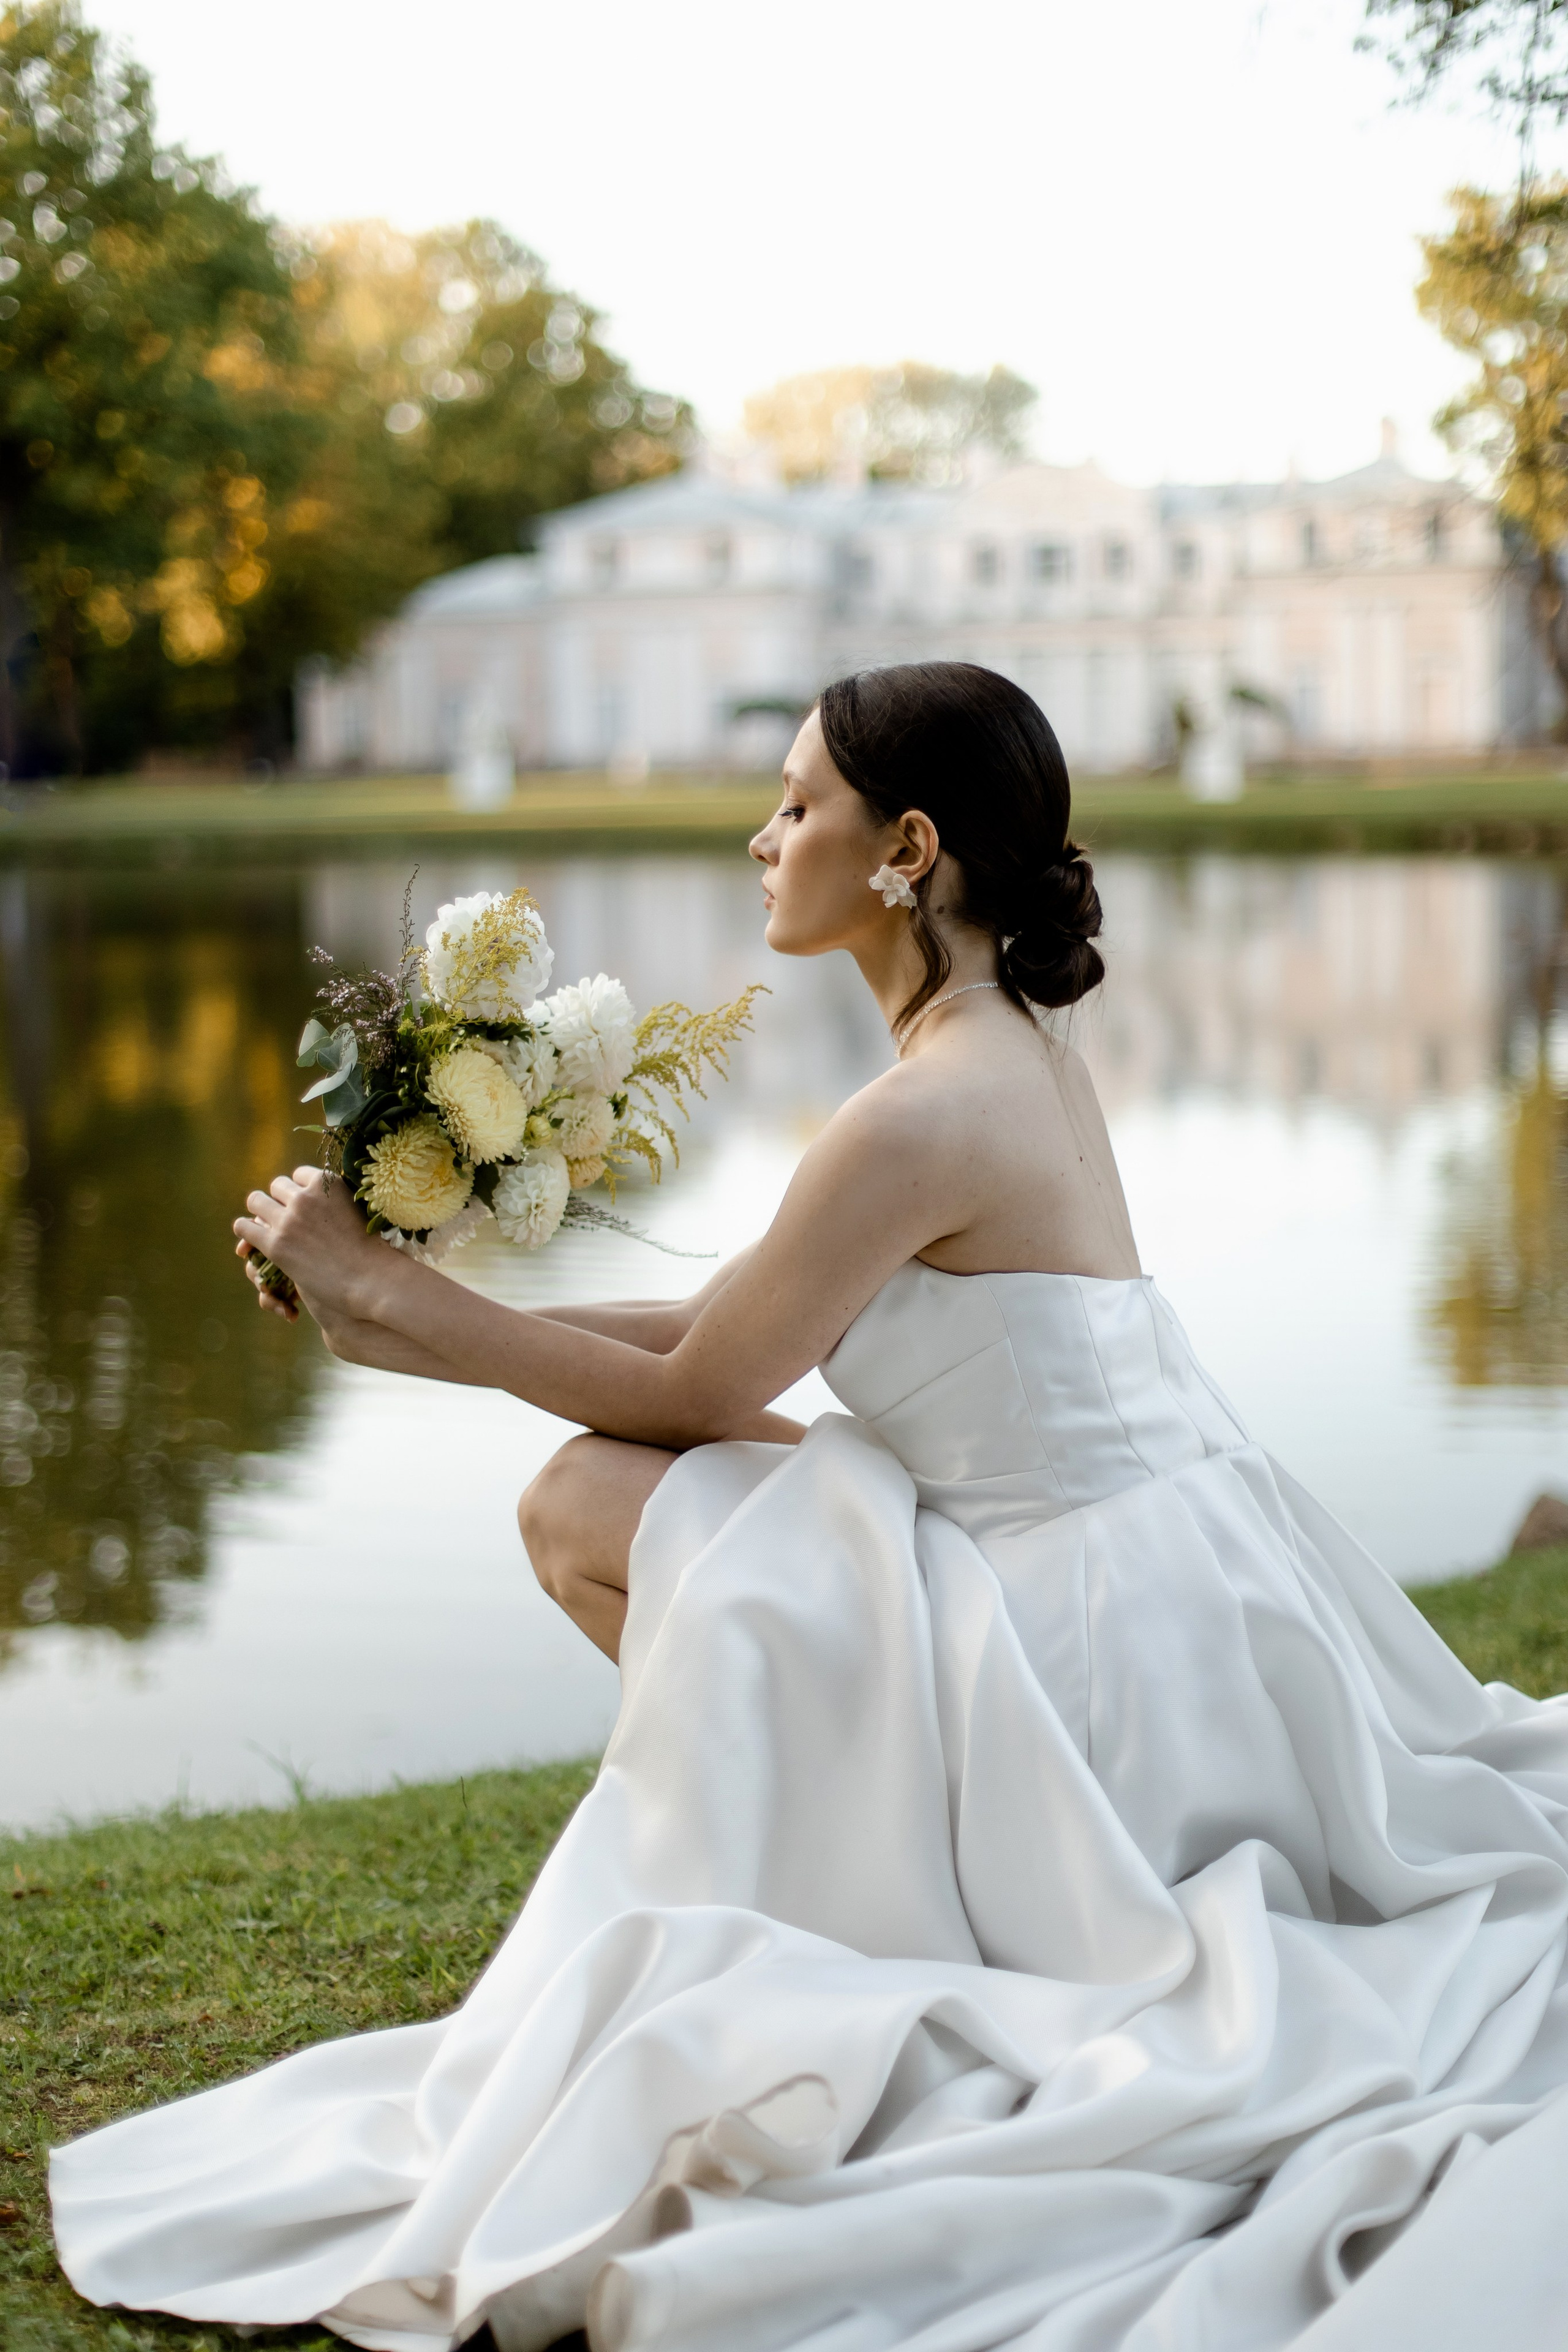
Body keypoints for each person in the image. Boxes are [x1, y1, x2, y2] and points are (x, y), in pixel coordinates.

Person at [50, 664, 1568, 2352]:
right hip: (1162, 1576)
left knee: (586, 1499)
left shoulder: (924, 1109)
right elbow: (750, 1329)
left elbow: (708, 1388)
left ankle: (808, 1901)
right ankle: (797, 1855)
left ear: (907, 847)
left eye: (795, 805)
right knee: (653, 1487)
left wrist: (395, 1310)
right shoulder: (1000, 1049)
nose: (761, 836)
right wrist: (410, 1300)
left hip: (1083, 1656)